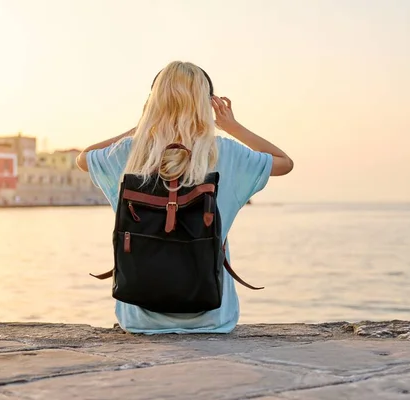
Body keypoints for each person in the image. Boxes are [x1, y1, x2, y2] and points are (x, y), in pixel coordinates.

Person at [76, 61, 293, 334]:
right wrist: (232, 125)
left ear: (154, 102)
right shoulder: (226, 152)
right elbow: (284, 162)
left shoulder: (128, 153)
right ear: (206, 103)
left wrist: (143, 126)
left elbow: (83, 158)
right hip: (213, 319)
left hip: (139, 319)